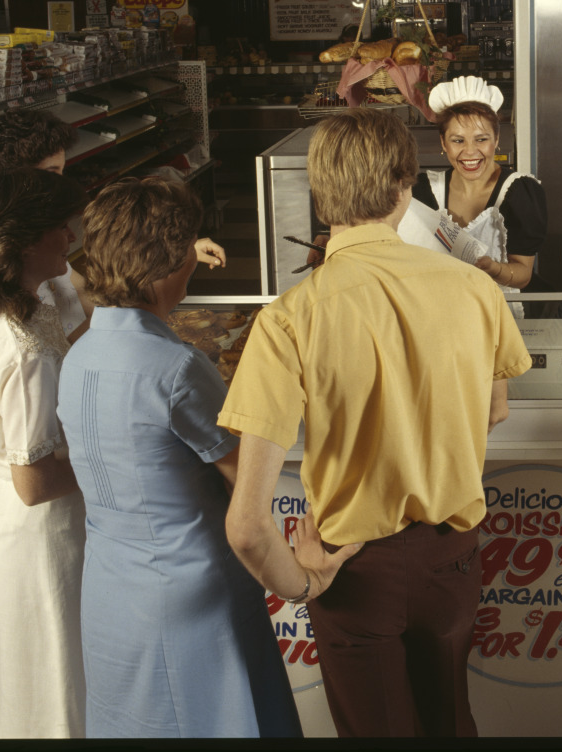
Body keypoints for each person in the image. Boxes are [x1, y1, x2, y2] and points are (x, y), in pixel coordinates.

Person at [221, 108, 531, 738]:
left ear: (319, 196)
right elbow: (494, 409)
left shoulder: (290, 317)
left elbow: (250, 529)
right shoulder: (477, 291)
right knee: (449, 721)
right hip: (452, 556)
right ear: (405, 187)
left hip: (352, 566)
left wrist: (304, 585)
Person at [56, 177, 301, 738]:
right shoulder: (177, 368)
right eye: (186, 252)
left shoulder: (79, 353)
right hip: (189, 590)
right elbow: (248, 481)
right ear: (162, 268)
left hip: (112, 590)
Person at [0, 168, 89, 740]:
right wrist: (113, 457)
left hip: (9, 513)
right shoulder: (22, 347)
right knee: (51, 669)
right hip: (38, 528)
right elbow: (34, 481)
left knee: (29, 664)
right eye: (61, 227)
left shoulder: (10, 304)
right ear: (26, 240)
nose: (72, 237)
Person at [0, 109, 227, 339]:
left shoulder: (38, 246)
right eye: (51, 174)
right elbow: (44, 346)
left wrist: (167, 250)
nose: (59, 186)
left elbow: (87, 293)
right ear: (10, 182)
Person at [398, 74, 547, 315]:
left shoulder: (520, 192)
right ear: (443, 143)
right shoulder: (422, 190)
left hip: (500, 317)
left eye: (481, 139)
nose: (470, 152)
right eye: (458, 140)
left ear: (496, 139)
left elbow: (523, 275)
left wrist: (494, 268)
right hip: (438, 316)